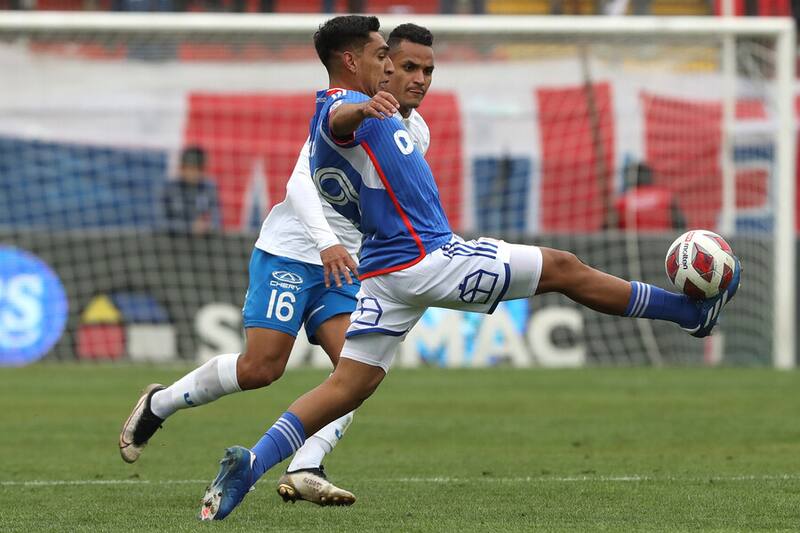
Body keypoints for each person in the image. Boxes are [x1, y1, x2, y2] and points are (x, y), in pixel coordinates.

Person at [198, 15, 741, 521]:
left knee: (348, 386)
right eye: (383, 56)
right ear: (348, 61)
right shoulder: (344, 107)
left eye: (407, 63)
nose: (392, 67)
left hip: (386, 275)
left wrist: (376, 108)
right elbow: (335, 120)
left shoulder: (393, 115)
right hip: (426, 258)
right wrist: (363, 110)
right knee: (563, 267)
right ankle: (687, 314)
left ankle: (250, 465)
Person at [120, 23, 437, 509]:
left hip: (347, 266)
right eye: (403, 65)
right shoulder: (342, 111)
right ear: (379, 64)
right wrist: (327, 241)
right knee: (261, 368)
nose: (413, 77)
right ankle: (158, 404)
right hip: (294, 250)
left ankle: (306, 464)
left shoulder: (416, 132)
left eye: (426, 70)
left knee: (354, 374)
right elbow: (299, 184)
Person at [160, 146, 221, 235]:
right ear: (181, 168)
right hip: (173, 242)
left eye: (197, 169)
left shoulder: (209, 188)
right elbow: (160, 223)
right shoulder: (169, 189)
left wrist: (207, 226)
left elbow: (217, 220)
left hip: (202, 243)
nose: (193, 173)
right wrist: (189, 227)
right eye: (190, 168)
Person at [615, 161, 686, 231]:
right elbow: (680, 223)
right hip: (663, 240)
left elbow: (613, 228)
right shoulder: (665, 196)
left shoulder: (623, 201)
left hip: (635, 241)